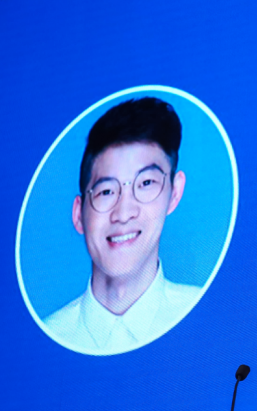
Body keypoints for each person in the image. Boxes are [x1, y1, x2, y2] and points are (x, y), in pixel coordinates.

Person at [45, 97, 201, 354]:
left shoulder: (206, 315)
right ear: (78, 214)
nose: (124, 213)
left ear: (174, 192)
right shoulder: (48, 337)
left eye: (146, 183)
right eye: (106, 191)